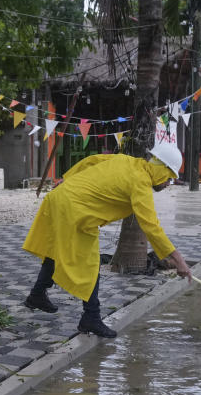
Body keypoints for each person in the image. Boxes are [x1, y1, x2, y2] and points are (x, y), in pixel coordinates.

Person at [22, 143, 191, 338]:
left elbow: (90, 161)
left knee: (57, 250)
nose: (168, 183)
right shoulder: (141, 183)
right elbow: (151, 226)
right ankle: (91, 317)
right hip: (75, 210)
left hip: (60, 198)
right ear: (162, 170)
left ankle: (37, 295)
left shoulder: (127, 161)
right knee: (91, 264)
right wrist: (178, 260)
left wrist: (66, 179)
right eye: (169, 178)